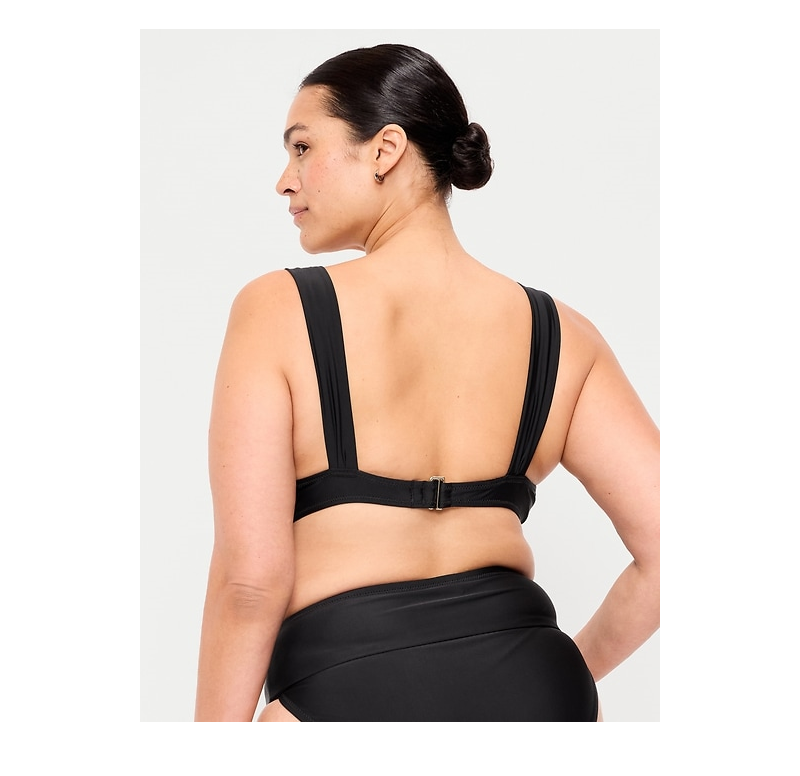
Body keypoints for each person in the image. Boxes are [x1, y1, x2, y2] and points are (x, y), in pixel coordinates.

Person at [194, 43, 660, 722]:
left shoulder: (278, 308)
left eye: (301, 147)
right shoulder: (564, 335)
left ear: (385, 150)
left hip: (347, 681)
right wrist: (546, 677)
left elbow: (249, 582)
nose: (284, 181)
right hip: (533, 680)